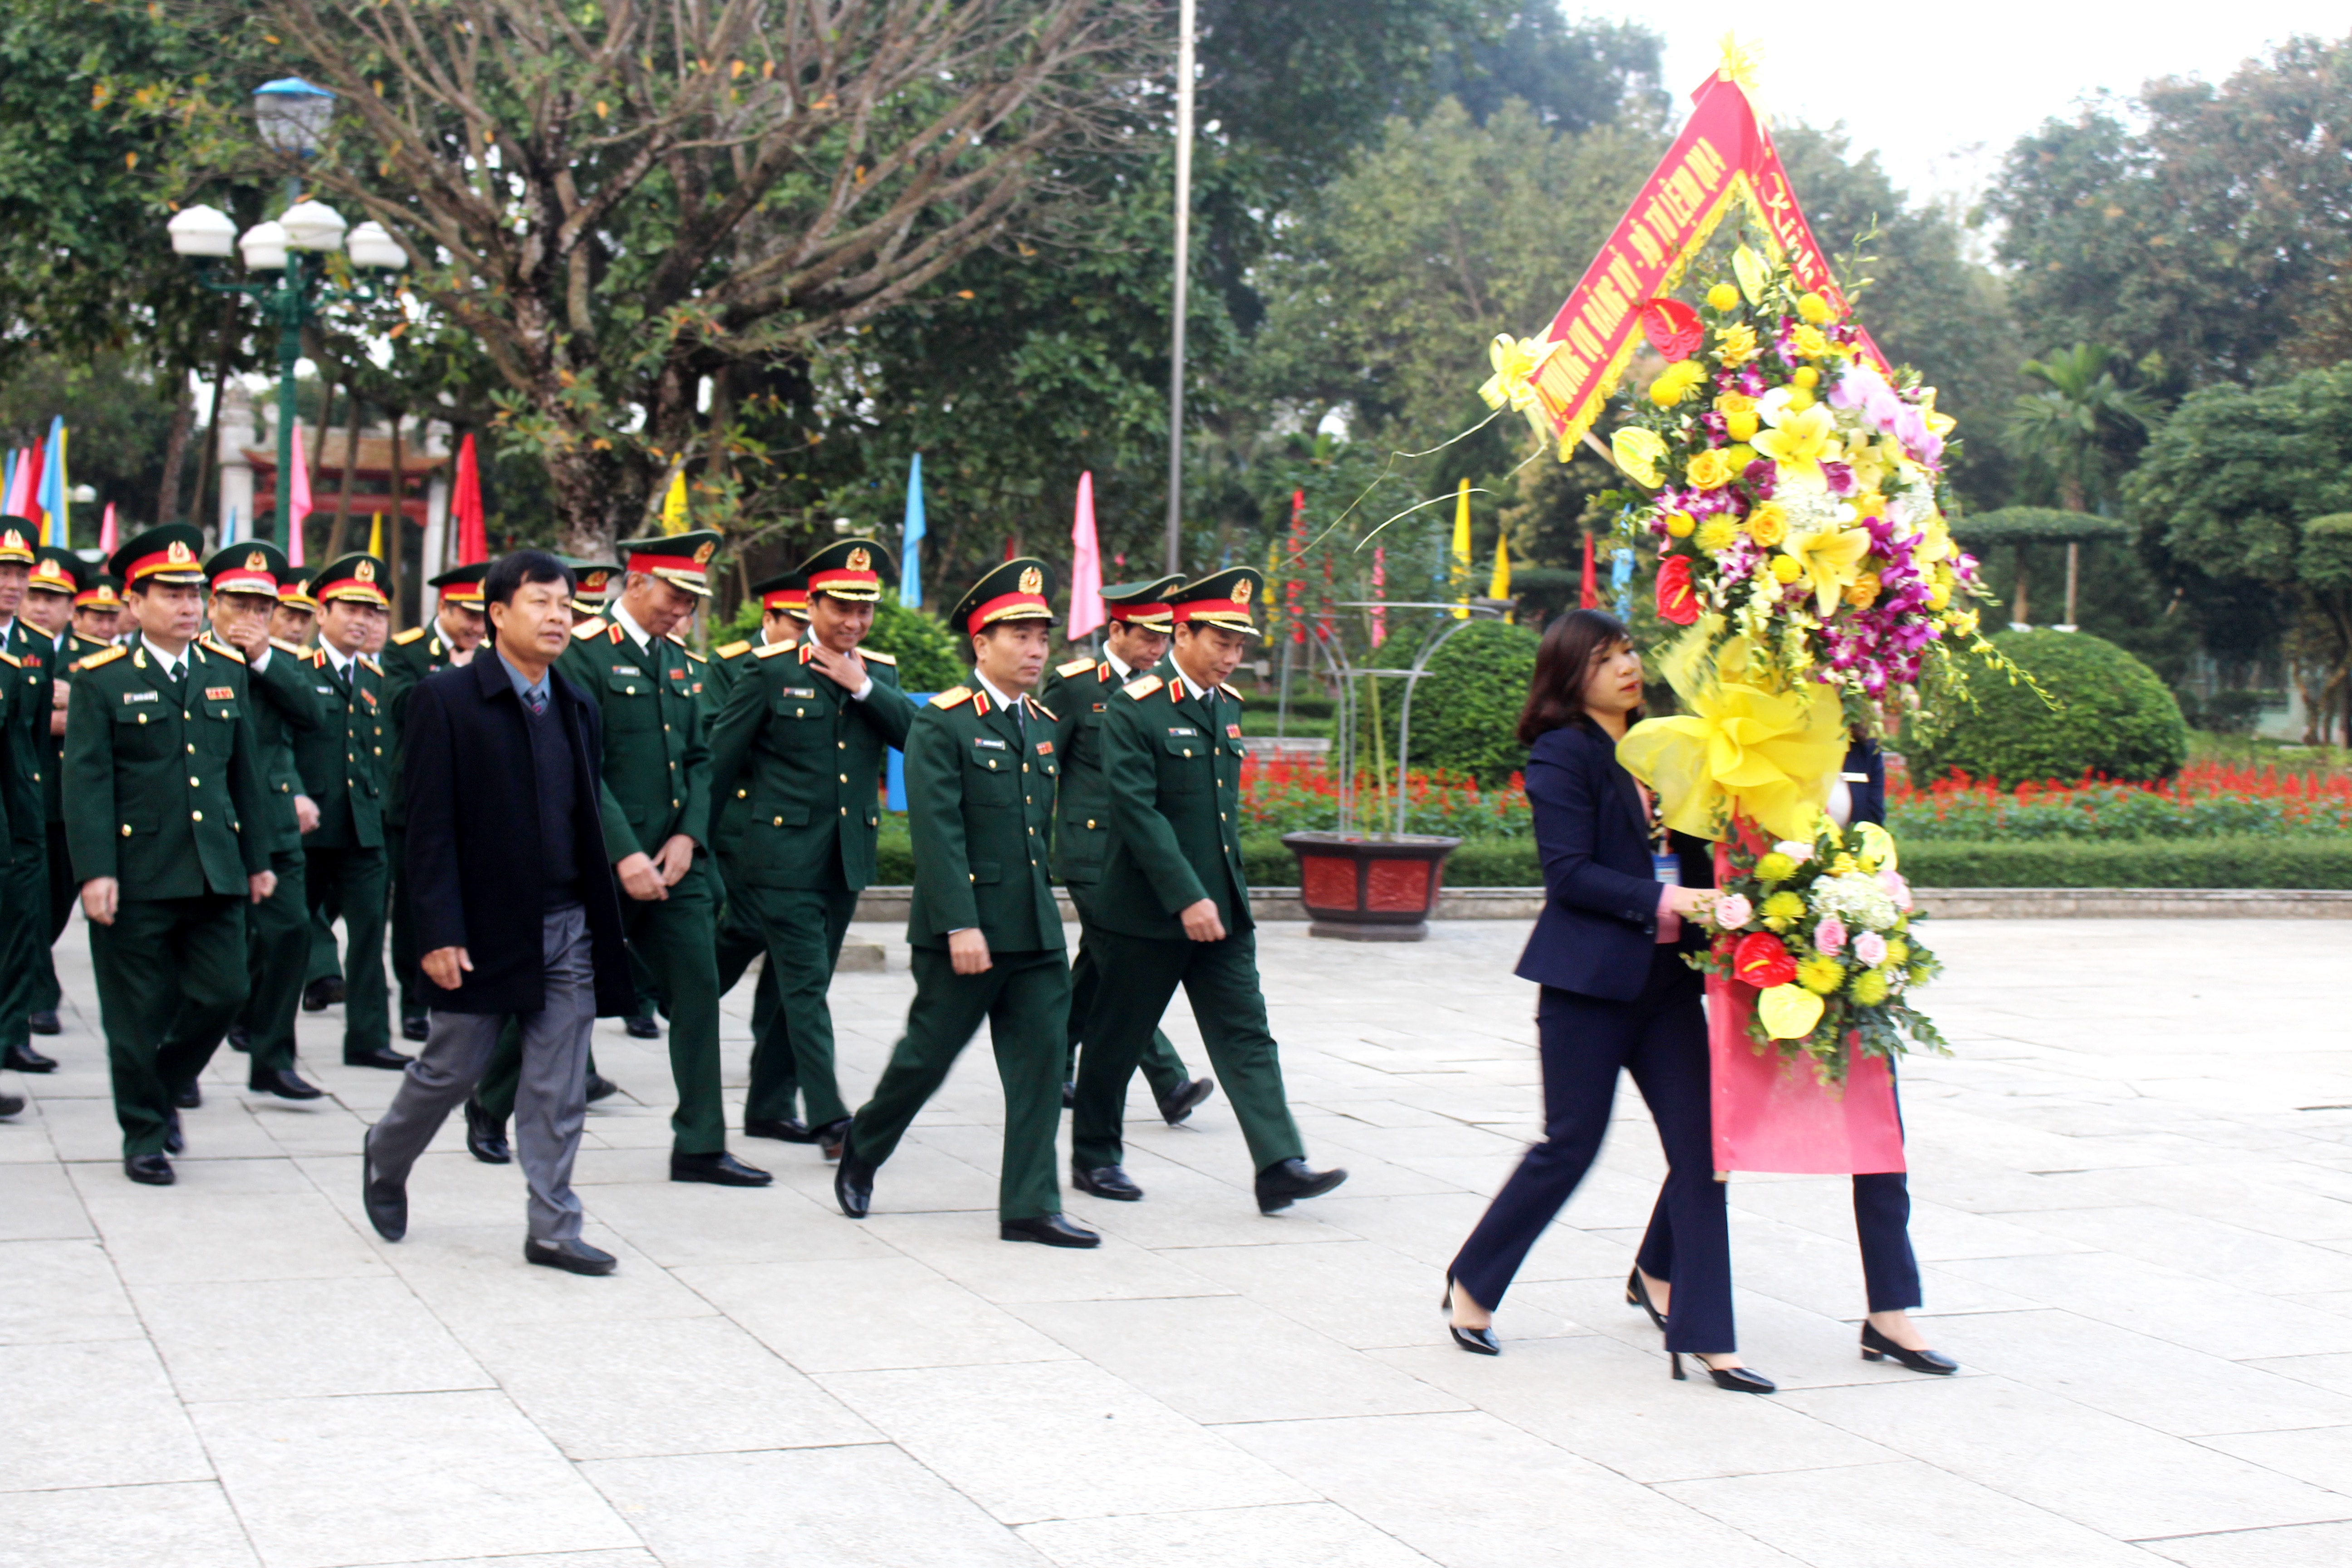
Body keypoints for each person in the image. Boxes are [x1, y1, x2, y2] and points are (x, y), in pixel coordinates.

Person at [1440, 610, 1769, 1390]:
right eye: (1603, 657)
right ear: (1569, 674)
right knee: (1569, 1145)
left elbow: (1699, 849)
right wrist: (1674, 903)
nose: (1625, 666)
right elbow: (1569, 875)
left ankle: (1702, 1329)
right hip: (1586, 986)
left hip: (1664, 990)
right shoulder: (1561, 754)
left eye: (1626, 651)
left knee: (1704, 1151)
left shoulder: (1666, 750)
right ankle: (1472, 1282)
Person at [1626, 732, 1958, 1377]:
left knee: (1877, 1124)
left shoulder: (1860, 747)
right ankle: (1659, 1265)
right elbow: (1703, 846)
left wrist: (1877, 917)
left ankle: (1889, 1312)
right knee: (1729, 1122)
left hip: (1840, 949)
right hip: (1753, 946)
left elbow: (1874, 842)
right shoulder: (1749, 732)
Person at [363, 550, 635, 1274]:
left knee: (556, 1083)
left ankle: (552, 1225)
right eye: (541, 602)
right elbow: (426, 829)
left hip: (566, 924)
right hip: (482, 929)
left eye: (566, 605)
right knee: (452, 1071)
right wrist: (437, 932)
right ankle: (387, 1154)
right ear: (498, 614)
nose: (558, 617)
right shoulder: (444, 701)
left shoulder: (575, 703)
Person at [833, 559, 1095, 1246]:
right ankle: (866, 1141)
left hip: (1034, 932)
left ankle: (1031, 1206)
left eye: (1043, 637)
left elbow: (1038, 834)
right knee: (927, 1056)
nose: (1037, 650)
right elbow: (938, 834)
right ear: (982, 644)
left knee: (1041, 1067)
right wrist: (960, 923)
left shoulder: (1041, 725)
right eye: (1021, 636)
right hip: (966, 932)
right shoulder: (942, 723)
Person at [1069, 567, 1346, 1215]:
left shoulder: (1226, 708)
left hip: (1220, 909)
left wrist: (1214, 898)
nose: (1231, 657)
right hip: (1143, 910)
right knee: (1117, 1035)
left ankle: (1280, 1163)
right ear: (1181, 634)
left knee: (1247, 1034)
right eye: (1219, 642)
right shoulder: (1135, 709)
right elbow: (1138, 814)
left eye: (1239, 645)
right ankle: (1095, 1157)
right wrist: (1184, 896)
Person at [62, 525, 275, 1185]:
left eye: (195, 593)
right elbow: (88, 781)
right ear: (135, 603)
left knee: (225, 992)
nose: (188, 605)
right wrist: (95, 871)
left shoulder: (224, 671)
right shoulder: (102, 679)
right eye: (171, 593)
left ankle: (159, 1088)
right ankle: (145, 1135)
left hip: (215, 866)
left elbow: (245, 771)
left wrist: (258, 857)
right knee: (136, 1015)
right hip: (138, 872)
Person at [553, 530, 767, 1186]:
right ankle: (491, 1099)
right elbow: (577, 766)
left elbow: (703, 760)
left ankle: (699, 1145)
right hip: (599, 858)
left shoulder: (681, 663)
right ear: (636, 582)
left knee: (698, 991)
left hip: (678, 864)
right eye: (674, 596)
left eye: (690, 602)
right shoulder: (582, 655)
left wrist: (687, 838)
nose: (682, 612)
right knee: (566, 995)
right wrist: (624, 853)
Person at [708, 538, 914, 1158]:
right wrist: (693, 845)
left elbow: (917, 738)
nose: (853, 623)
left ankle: (770, 1109)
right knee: (805, 988)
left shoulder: (877, 672)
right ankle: (829, 1118)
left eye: (864, 612)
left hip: (845, 858)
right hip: (779, 860)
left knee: (793, 986)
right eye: (840, 609)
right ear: (811, 605)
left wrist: (862, 688)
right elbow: (719, 764)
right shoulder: (771, 670)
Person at [1035, 574, 1211, 1124]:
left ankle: (1054, 1059)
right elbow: (1041, 768)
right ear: (1117, 629)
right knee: (1123, 962)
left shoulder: (1167, 689)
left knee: (1095, 964)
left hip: (1139, 857)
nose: (1158, 649)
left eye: (1165, 639)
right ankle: (1169, 1079)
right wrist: (1036, 846)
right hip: (1090, 852)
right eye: (1148, 638)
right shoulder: (1075, 686)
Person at [202, 544, 327, 1100]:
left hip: (273, 821)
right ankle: (179, 1060)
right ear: (213, 604)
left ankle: (272, 1056)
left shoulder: (282, 661)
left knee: (291, 934)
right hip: (209, 826)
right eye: (239, 603)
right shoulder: (190, 658)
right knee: (205, 957)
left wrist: (260, 660)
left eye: (262, 606)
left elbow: (312, 716)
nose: (251, 616)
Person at [293, 554, 410, 1071]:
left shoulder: (374, 679)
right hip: (306, 827)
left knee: (368, 935)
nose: (363, 621)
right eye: (350, 609)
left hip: (364, 828)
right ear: (322, 613)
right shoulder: (293, 671)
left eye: (374, 612)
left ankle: (368, 1038)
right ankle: (262, 1028)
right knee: (286, 933)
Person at [707, 573, 807, 1134]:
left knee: (790, 964)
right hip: (743, 829)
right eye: (795, 624)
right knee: (744, 929)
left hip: (798, 843)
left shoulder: (826, 665)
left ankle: (773, 1089)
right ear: (769, 621)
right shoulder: (731, 666)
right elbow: (721, 747)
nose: (802, 633)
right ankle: (682, 988)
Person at [382, 564, 490, 1042]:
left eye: (482, 616)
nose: (476, 626)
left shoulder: (493, 654)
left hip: (476, 798)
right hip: (417, 796)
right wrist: (455, 675)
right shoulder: (405, 651)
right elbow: (401, 707)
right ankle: (413, 997)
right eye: (467, 615)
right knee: (414, 904)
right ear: (443, 608)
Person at [20, 545, 103, 1050]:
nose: (41, 606)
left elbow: (113, 720)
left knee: (52, 909)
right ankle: (35, 996)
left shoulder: (91, 657)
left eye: (55, 597)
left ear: (73, 606)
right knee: (23, 907)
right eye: (34, 594)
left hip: (68, 806)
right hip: (22, 799)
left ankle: (33, 986)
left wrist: (76, 707)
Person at [0, 523, 54, 1079]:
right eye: (4, 573)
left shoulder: (36, 648)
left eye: (20, 573)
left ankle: (12, 1034)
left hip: (23, 808)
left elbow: (36, 740)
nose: (13, 584)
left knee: (21, 924)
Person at [72, 573, 124, 646]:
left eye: (112, 620)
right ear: (76, 619)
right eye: (98, 620)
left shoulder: (125, 654)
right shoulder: (62, 653)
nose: (106, 628)